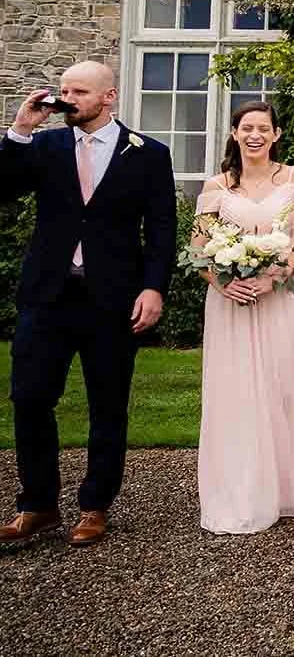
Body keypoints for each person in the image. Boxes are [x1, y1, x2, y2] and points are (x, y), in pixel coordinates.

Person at [0, 63, 175, 547]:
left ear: (108, 97)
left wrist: (153, 288)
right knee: (30, 397)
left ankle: (94, 505)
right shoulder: (45, 146)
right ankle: (38, 504)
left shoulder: (148, 153)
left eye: (78, 91)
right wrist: (20, 130)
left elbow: (162, 228)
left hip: (112, 298)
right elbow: (3, 189)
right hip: (47, 295)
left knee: (108, 403)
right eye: (64, 90)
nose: (67, 98)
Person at [194, 101, 294, 534]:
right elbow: (198, 249)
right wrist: (222, 283)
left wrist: (274, 277)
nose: (255, 135)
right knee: (237, 389)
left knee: (284, 383)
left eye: (263, 128)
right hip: (231, 302)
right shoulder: (217, 186)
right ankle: (243, 487)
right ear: (235, 133)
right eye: (247, 128)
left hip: (283, 298)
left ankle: (292, 488)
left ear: (276, 134)